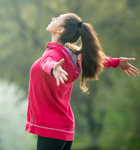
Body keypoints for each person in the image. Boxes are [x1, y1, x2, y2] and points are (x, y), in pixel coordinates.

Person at [26, 13, 139, 150]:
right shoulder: (71, 55)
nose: (53, 18)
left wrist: (53, 69)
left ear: (61, 30)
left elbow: (47, 62)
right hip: (63, 127)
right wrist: (115, 62)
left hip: (52, 127)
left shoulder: (54, 53)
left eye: (58, 18)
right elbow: (93, 60)